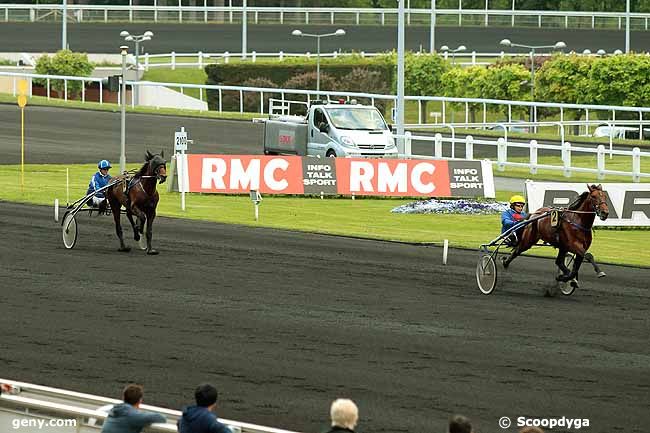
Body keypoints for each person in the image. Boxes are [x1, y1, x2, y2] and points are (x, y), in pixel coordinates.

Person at [100, 384, 166, 433]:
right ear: (140, 400)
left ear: (123, 398)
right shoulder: (132, 415)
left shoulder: (114, 410)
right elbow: (161, 418)